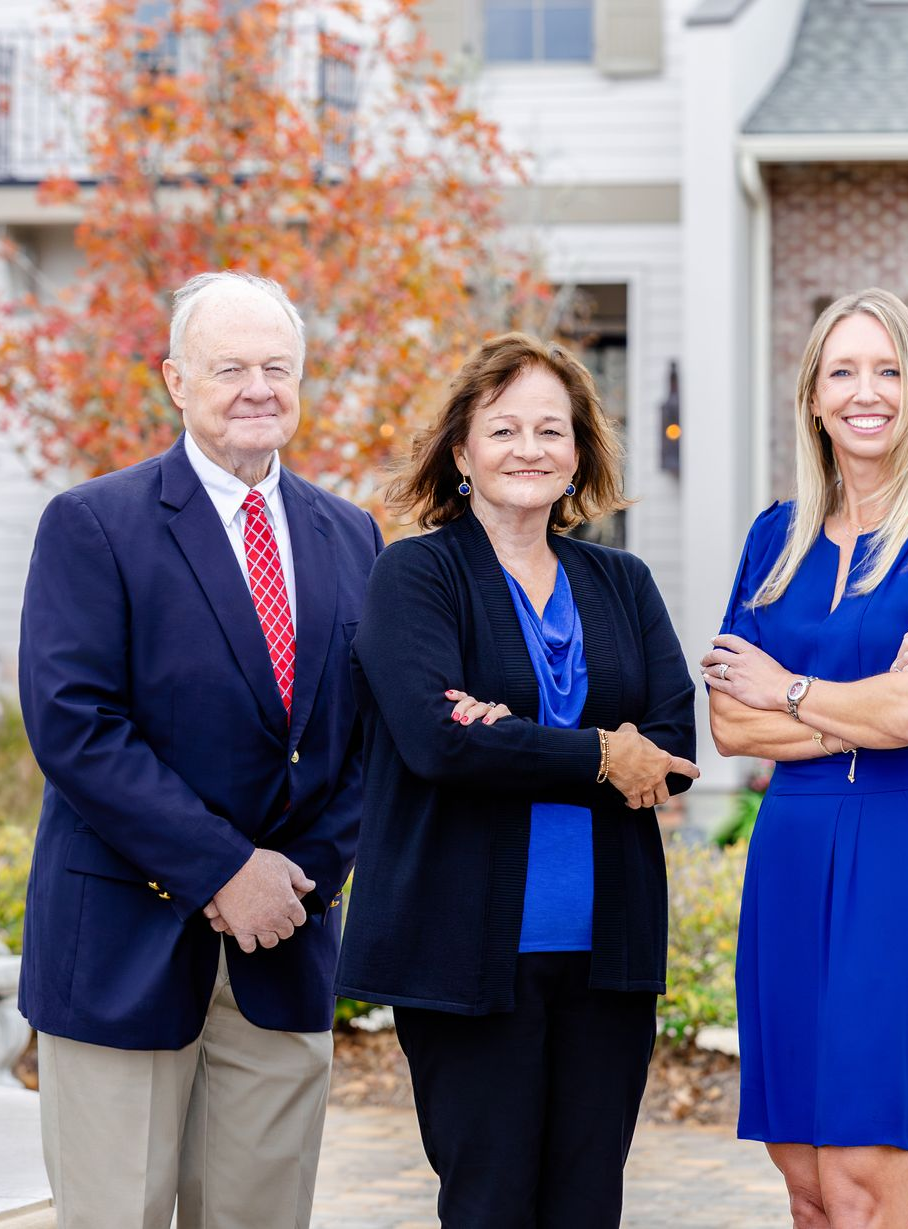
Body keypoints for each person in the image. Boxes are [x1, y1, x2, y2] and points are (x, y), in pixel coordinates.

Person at [17, 271, 382, 1229]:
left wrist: (296, 878)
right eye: (230, 367)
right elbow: (75, 726)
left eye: (277, 366)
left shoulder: (351, 535)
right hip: (123, 950)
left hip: (283, 943)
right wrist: (226, 870)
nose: (257, 387)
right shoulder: (94, 523)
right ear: (175, 380)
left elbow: (365, 740)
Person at [336, 332, 699, 1229]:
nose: (528, 449)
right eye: (503, 429)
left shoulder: (621, 580)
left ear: (578, 454)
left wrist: (511, 734)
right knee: (490, 1205)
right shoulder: (414, 573)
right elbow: (435, 740)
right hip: (463, 954)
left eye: (551, 429)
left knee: (585, 1207)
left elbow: (673, 739)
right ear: (461, 451)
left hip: (606, 958)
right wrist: (599, 755)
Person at [702, 287, 908, 1228]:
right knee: (803, 1186)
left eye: (887, 369)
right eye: (842, 370)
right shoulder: (773, 538)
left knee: (861, 1189)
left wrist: (790, 689)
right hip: (789, 846)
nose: (864, 390)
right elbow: (727, 724)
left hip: (895, 852)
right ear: (813, 394)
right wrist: (867, 707)